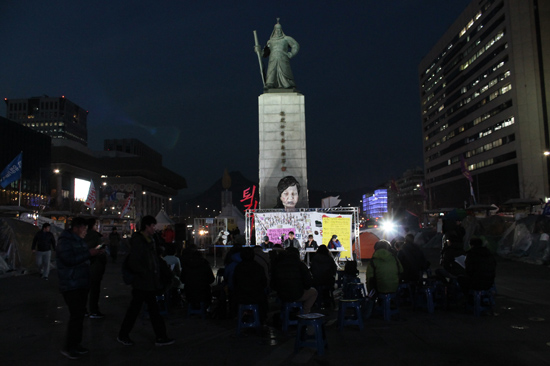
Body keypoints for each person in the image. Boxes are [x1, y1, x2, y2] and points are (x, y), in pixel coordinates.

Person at [118, 215, 175, 347]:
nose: (155, 228)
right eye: (153, 226)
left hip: (148, 282)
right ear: (147, 226)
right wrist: (145, 273)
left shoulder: (150, 240)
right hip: (143, 282)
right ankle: (159, 336)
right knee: (140, 310)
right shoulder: (139, 241)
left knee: (145, 310)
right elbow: (135, 262)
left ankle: (159, 336)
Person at [56, 217, 104, 359]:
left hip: (81, 282)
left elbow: (82, 258)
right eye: (84, 229)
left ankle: (76, 344)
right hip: (71, 284)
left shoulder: (78, 240)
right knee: (76, 316)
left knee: (79, 316)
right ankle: (70, 347)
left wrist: (94, 254)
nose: (85, 232)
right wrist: (89, 253)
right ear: (76, 228)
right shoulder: (65, 241)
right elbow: (69, 260)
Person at [271, 247, 317, 314]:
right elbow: (308, 283)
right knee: (314, 292)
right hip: (297, 294)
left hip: (282, 295)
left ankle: (287, 312)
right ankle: (304, 313)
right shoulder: (301, 265)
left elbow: (273, 284)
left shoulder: (278, 265)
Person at [233, 247, 269, 323]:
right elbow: (264, 283)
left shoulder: (238, 267)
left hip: (241, 297)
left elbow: (234, 283)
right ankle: (261, 319)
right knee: (263, 300)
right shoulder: (258, 267)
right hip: (256, 297)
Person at [179, 244, 215, 311]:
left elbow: (182, 279)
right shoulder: (205, 265)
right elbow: (211, 279)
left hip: (189, 293)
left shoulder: (186, 265)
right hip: (204, 292)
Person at [84, 218, 107, 319]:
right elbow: (96, 248)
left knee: (85, 290)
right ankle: (93, 311)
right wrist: (100, 248)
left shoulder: (83, 235)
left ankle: (84, 310)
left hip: (85, 267)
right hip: (95, 266)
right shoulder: (94, 236)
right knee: (94, 290)